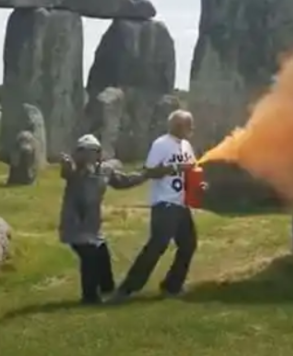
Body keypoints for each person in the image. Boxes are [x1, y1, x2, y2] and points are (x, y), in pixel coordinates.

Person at [58, 134, 169, 305]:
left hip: (93, 227)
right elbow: (67, 172)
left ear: (98, 153)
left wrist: (149, 174)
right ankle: (90, 298)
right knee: (90, 259)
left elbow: (124, 181)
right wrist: (66, 164)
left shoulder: (104, 171)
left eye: (91, 151)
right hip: (75, 225)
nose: (87, 155)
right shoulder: (75, 171)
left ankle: (107, 290)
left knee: (102, 255)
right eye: (82, 151)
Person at [111, 110, 206, 302]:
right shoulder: (161, 144)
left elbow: (191, 171)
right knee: (157, 246)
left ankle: (172, 286)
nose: (192, 129)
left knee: (188, 244)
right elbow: (150, 171)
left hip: (181, 203)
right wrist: (175, 168)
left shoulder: (186, 146)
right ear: (178, 126)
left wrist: (199, 184)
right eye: (189, 125)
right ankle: (127, 289)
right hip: (165, 203)